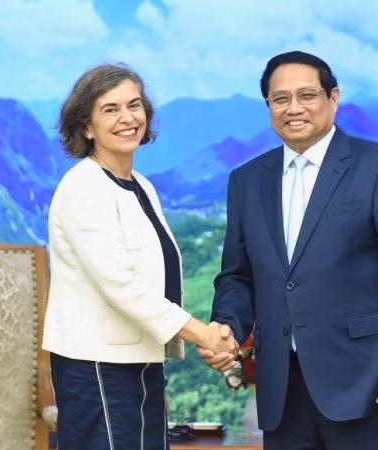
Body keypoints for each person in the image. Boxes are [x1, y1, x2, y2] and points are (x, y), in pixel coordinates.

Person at [199, 51, 378, 449]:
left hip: (370, 386)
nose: (294, 108)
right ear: (269, 106)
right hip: (282, 391)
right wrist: (229, 329)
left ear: (333, 97)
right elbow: (238, 275)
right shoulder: (247, 181)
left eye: (307, 95)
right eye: (280, 99)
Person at [42, 63, 238, 450]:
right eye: (110, 109)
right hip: (97, 367)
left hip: (140, 361)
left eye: (135, 105)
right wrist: (203, 333)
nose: (127, 117)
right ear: (86, 126)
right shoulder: (83, 185)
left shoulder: (141, 186)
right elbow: (120, 284)